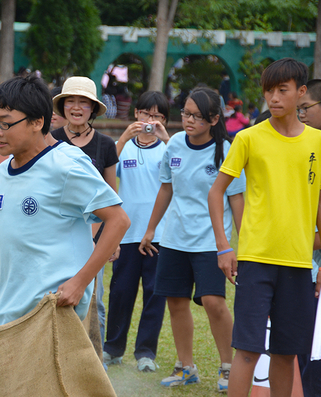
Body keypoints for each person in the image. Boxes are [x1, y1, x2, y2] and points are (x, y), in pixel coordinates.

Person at [0, 74, 129, 330]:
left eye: (5, 124)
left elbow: (118, 220)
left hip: (48, 312)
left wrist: (81, 282)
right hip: (4, 312)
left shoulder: (67, 165)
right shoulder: (5, 169)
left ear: (38, 122)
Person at [209, 59, 321, 397]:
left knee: (286, 353)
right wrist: (224, 247)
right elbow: (217, 192)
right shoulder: (247, 138)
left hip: (300, 263)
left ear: (300, 93)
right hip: (256, 261)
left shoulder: (317, 142)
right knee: (247, 350)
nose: (273, 97)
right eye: (268, 90)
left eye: (282, 90)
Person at [140, 87, 245, 391]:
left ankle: (228, 367)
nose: (188, 120)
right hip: (174, 238)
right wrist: (151, 229)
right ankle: (186, 367)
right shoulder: (173, 144)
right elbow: (166, 188)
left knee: (213, 302)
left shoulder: (226, 150)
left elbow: (236, 200)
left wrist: (243, 244)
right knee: (175, 301)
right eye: (185, 113)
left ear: (213, 119)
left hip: (212, 242)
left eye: (197, 116)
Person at [103, 91, 170, 372]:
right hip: (128, 234)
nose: (150, 120)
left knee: (155, 295)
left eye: (157, 116)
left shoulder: (169, 148)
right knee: (121, 292)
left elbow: (182, 168)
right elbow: (104, 170)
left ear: (164, 120)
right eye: (145, 114)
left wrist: (167, 138)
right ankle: (113, 348)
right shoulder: (125, 147)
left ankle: (146, 352)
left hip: (159, 234)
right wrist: (122, 138)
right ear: (136, 115)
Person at [51, 76, 119, 345]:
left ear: (93, 108)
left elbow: (112, 198)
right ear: (63, 106)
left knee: (93, 299)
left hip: (94, 239)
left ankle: (93, 361)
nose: (76, 107)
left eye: (83, 102)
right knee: (55, 296)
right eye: (71, 101)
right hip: (57, 235)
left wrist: (109, 240)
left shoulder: (105, 145)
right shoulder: (50, 140)